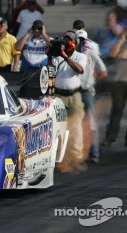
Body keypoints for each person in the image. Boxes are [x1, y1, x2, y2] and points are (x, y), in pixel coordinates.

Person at [48, 30, 88, 173]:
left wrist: (65, 56)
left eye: (69, 41)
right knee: (57, 127)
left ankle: (77, 157)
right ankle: (58, 156)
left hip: (74, 95)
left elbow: (80, 70)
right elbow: (50, 70)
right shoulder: (58, 56)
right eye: (65, 41)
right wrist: (50, 56)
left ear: (75, 43)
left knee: (76, 126)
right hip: (58, 95)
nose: (67, 43)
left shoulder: (80, 56)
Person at [103, 18, 127, 147]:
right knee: (116, 110)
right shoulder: (122, 41)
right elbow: (113, 54)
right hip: (120, 81)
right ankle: (110, 137)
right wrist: (122, 40)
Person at [76, 29, 108, 164]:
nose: (81, 42)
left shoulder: (91, 53)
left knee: (91, 121)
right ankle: (79, 153)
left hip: (87, 90)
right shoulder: (73, 54)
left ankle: (94, 152)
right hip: (74, 91)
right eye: (79, 40)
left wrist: (93, 81)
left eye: (83, 39)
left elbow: (103, 71)